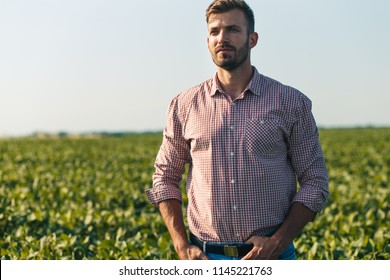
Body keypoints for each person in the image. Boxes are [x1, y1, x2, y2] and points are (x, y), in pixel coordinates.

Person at [146, 0, 329, 260]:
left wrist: (278, 241)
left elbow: (315, 181)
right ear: (207, 40)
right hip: (206, 258)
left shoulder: (290, 102)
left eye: (233, 30)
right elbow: (164, 178)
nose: (222, 38)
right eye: (215, 31)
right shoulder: (184, 105)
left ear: (252, 39)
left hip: (273, 256)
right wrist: (180, 244)